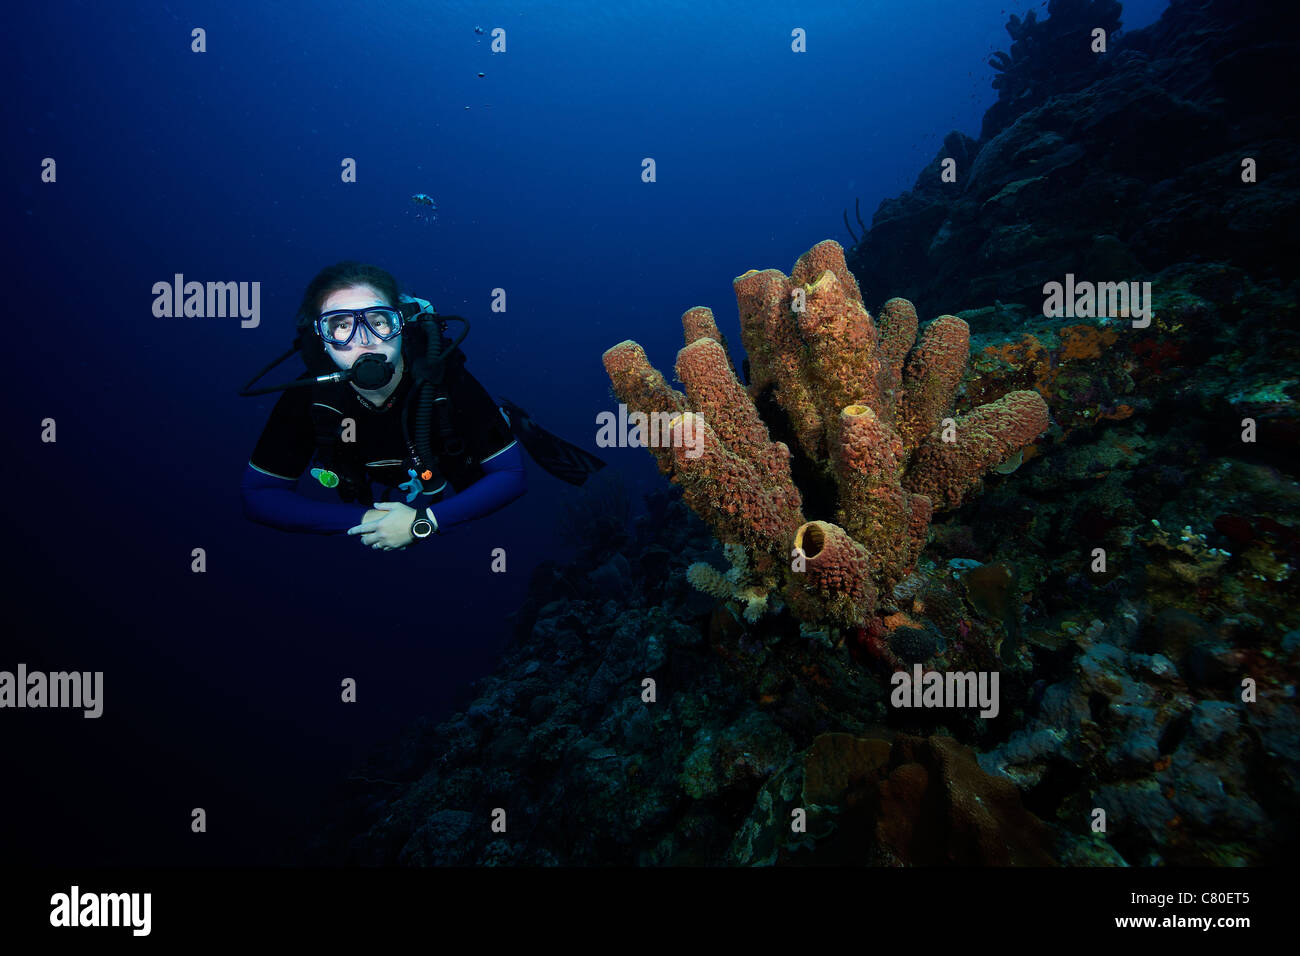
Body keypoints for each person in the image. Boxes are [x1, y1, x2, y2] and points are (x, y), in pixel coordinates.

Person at [241, 262, 527, 550]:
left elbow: (510, 474)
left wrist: (424, 522)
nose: (364, 340)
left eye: (378, 321)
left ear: (401, 325)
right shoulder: (311, 397)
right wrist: (368, 519)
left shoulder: (443, 379)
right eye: (341, 325)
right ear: (320, 340)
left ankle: (512, 421)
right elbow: (259, 495)